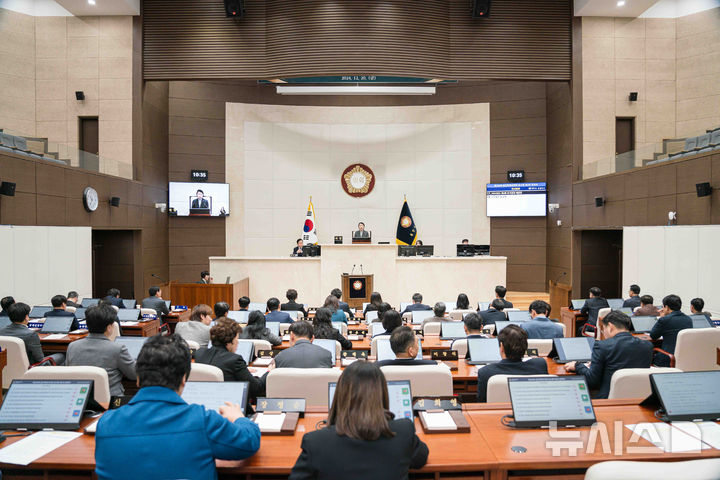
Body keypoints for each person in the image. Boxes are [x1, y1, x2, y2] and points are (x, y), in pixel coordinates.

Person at [95, 334, 260, 479]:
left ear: (138, 378)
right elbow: (249, 442)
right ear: (183, 379)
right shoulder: (201, 420)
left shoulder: (106, 424)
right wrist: (239, 417)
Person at [288, 361, 428, 479]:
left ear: (341, 395)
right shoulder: (403, 431)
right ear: (382, 394)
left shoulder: (316, 442)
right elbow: (421, 457)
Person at [566, 311, 653, 398]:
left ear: (610, 326)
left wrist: (577, 365)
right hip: (639, 399)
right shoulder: (648, 346)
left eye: (603, 328)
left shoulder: (602, 346)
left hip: (609, 400)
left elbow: (592, 381)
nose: (604, 332)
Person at [67, 304, 136, 396]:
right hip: (110, 399)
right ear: (109, 328)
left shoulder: (72, 346)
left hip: (80, 397)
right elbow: (134, 374)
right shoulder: (117, 349)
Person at [194, 318, 264, 400]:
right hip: (231, 404)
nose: (238, 342)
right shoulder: (235, 360)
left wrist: (244, 370)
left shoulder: (199, 354)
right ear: (229, 342)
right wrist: (269, 371)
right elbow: (256, 388)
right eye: (236, 339)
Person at [476, 324, 548, 402]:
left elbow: (481, 403)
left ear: (501, 347)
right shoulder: (540, 365)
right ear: (526, 346)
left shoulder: (485, 372)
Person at [651, 294, 693, 367]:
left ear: (667, 307)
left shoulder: (664, 320)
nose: (663, 309)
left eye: (663, 307)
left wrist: (660, 318)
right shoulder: (688, 319)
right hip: (684, 358)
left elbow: (653, 336)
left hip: (667, 358)